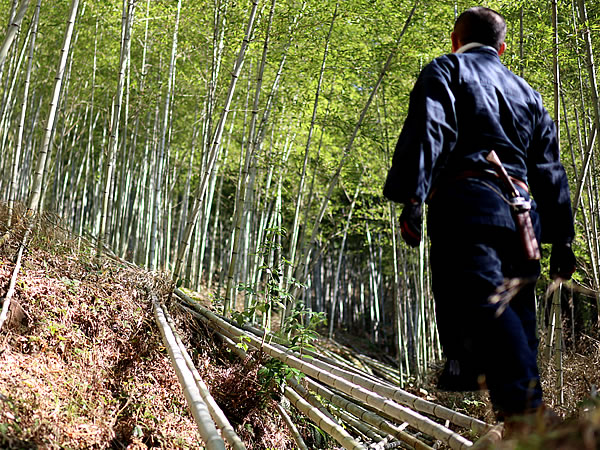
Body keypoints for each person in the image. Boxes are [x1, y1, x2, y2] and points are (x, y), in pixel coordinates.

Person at [383, 6, 576, 426]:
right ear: (501, 48)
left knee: (484, 301)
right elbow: (549, 169)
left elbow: (431, 129)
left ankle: (531, 415)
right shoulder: (528, 92)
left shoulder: (447, 70)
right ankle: (524, 427)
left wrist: (413, 199)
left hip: (469, 207)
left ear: (455, 40)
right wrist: (562, 238)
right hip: (524, 219)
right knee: (519, 318)